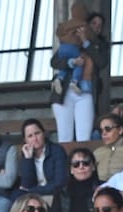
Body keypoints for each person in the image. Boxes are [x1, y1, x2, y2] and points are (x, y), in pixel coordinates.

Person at [50, 3, 97, 143]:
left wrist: (86, 41)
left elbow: (101, 61)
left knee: (84, 137)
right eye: (94, 24)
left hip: (85, 91)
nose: (97, 28)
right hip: (63, 93)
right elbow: (54, 62)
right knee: (64, 137)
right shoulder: (69, 42)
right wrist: (71, 62)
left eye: (99, 25)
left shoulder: (96, 45)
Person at [50, 146, 102, 212]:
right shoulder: (61, 190)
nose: (81, 167)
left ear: (93, 167)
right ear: (71, 170)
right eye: (76, 164)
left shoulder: (103, 188)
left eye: (85, 163)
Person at [14, 118, 68, 200]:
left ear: (44, 133)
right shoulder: (26, 155)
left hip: (54, 194)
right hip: (34, 196)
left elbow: (59, 183)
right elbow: (27, 184)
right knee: (16, 197)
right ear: (25, 140)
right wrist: (28, 159)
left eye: (37, 133)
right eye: (30, 136)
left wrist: (32, 191)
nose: (35, 139)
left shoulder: (57, 151)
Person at [93, 114, 123, 180]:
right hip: (100, 187)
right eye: (101, 130)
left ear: (120, 130)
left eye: (108, 129)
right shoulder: (97, 152)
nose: (104, 133)